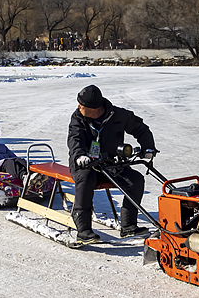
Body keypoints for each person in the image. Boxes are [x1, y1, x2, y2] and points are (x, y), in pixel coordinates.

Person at [67, 84, 157, 244]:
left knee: (136, 180)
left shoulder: (118, 115)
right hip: (85, 164)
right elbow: (75, 139)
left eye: (82, 105)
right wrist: (80, 155)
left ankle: (128, 225)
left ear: (95, 107)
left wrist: (148, 147)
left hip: (110, 163)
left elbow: (141, 129)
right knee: (86, 180)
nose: (78, 107)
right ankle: (83, 230)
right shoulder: (78, 118)